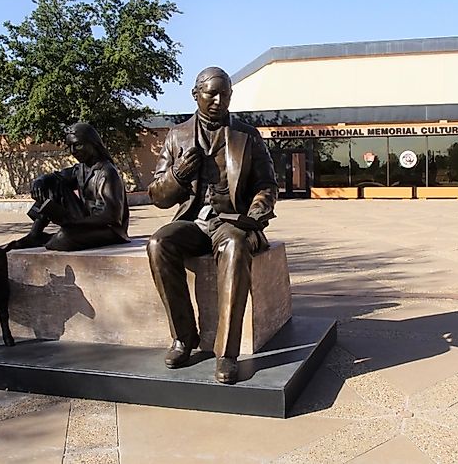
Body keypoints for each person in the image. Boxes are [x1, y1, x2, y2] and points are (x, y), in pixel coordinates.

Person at [146, 66, 277, 384]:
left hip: (230, 222)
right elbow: (157, 195)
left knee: (234, 244)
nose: (219, 100)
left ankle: (226, 354)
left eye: (226, 94)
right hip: (194, 222)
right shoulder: (177, 135)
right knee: (158, 243)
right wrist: (177, 176)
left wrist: (256, 213)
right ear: (196, 95)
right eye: (211, 93)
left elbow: (267, 185)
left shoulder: (247, 135)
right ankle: (183, 338)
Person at [14, 123, 130, 251]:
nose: (73, 151)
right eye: (70, 147)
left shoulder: (107, 172)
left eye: (78, 145)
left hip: (108, 229)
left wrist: (71, 222)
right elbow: (57, 177)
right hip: (85, 222)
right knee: (53, 183)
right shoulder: (80, 169)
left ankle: (50, 238)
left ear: (92, 143)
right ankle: (35, 234)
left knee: (61, 239)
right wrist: (40, 180)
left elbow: (112, 217)